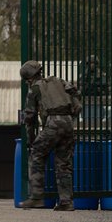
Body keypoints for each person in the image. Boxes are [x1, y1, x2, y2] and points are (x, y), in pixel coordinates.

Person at [19, 60, 81, 211]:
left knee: (36, 155)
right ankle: (66, 202)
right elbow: (76, 95)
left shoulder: (35, 88)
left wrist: (31, 140)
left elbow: (29, 117)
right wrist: (72, 115)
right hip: (68, 124)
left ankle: (36, 197)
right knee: (63, 163)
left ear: (28, 79)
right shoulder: (59, 81)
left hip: (53, 124)